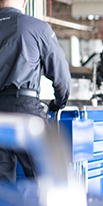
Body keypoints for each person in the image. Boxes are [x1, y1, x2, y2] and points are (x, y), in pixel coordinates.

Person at [0, 0, 70, 184]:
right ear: (24, 2)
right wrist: (58, 103)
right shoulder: (36, 27)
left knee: (3, 189)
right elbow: (61, 74)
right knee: (48, 181)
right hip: (26, 114)